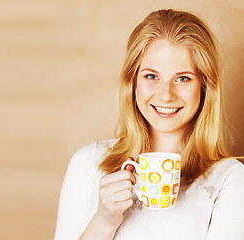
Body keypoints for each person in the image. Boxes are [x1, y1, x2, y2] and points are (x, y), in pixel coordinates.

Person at [54, 9, 244, 240]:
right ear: (133, 83)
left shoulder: (230, 179)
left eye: (183, 78)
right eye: (151, 76)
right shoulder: (87, 163)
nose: (166, 95)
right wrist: (104, 222)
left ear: (204, 87)